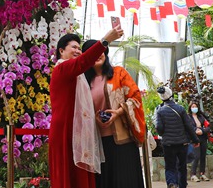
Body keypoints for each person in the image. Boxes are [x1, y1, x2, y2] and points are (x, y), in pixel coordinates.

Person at [49, 26, 124, 188]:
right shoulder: (62, 68)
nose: (77, 51)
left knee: (81, 175)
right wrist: (106, 40)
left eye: (79, 48)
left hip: (76, 130)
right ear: (61, 51)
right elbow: (84, 61)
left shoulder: (77, 74)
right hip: (65, 131)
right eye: (73, 47)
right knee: (69, 176)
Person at [81, 39, 146, 188]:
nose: (98, 55)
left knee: (125, 181)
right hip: (98, 144)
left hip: (123, 141)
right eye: (92, 52)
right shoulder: (83, 82)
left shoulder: (119, 73)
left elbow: (135, 98)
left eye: (100, 51)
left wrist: (118, 111)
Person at [155, 86, 200, 188]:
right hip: (182, 143)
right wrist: (195, 140)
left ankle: (171, 183)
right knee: (181, 166)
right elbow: (188, 126)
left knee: (170, 166)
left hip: (168, 144)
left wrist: (163, 134)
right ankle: (182, 185)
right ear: (171, 95)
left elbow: (158, 127)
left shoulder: (159, 111)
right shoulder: (180, 109)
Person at [188, 101, 210, 182]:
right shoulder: (188, 117)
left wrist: (202, 131)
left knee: (203, 156)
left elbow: (208, 127)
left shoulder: (201, 116)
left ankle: (202, 173)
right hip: (194, 138)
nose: (194, 108)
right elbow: (189, 127)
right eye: (193, 106)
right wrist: (195, 130)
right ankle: (193, 174)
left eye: (195, 106)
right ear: (190, 108)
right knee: (196, 156)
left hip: (203, 137)